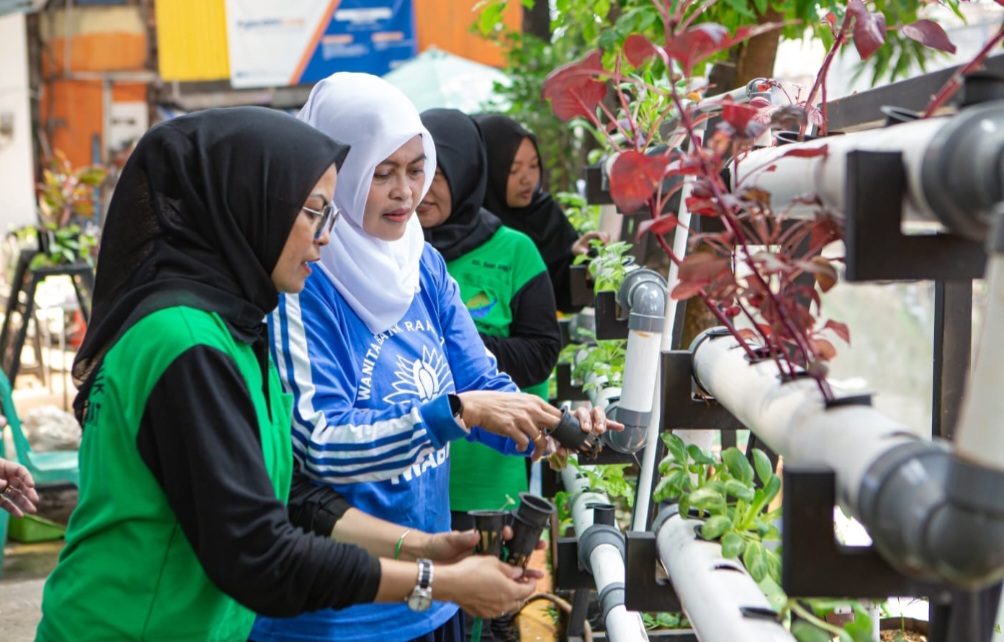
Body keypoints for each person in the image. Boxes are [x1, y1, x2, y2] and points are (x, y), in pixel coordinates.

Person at [35, 106, 536, 642]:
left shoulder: (235, 326)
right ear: (248, 207)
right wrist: (436, 581)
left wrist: (418, 545)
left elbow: (294, 496)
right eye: (315, 211)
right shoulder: (184, 344)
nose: (325, 237)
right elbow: (259, 553)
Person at [254, 73, 618, 642]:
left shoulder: (419, 264)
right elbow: (321, 444)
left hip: (434, 593)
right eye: (383, 173)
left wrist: (549, 427)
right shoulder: (302, 280)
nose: (407, 192)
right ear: (337, 173)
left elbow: (483, 383)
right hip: (340, 614)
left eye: (416, 169)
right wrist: (456, 413)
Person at [418, 107, 563, 642]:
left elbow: (542, 351)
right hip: (414, 471)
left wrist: (452, 346)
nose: (422, 188)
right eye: (411, 171)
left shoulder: (515, 251)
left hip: (489, 464)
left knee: (491, 613)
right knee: (427, 605)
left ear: (466, 171)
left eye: (436, 171)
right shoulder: (388, 254)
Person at [475, 114, 607, 313]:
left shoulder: (545, 214)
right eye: (513, 170)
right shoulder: (469, 227)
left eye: (534, 165)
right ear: (488, 169)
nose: (527, 179)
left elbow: (562, 295)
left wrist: (573, 255)